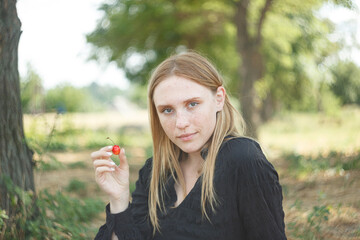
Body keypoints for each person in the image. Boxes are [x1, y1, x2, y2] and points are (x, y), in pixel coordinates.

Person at [91, 51, 287, 240]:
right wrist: (119, 199)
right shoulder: (154, 173)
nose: (180, 123)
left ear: (219, 99)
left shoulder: (243, 160)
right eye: (167, 110)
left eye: (192, 104)